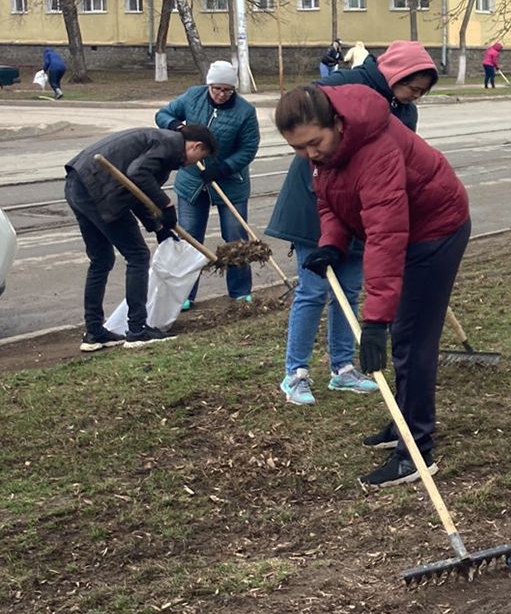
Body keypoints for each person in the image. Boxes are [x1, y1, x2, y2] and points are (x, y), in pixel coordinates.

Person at [274, 83, 470, 488]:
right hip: (406, 230)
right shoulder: (330, 150)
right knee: (405, 334)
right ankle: (403, 419)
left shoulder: (375, 149)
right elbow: (330, 201)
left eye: (313, 143)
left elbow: (386, 234)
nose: (309, 154)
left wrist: (376, 319)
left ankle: (416, 450)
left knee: (410, 337)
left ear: (337, 122)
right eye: (297, 148)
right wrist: (332, 243)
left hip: (435, 229)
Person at [65, 124, 217, 350]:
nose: (192, 163)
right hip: (99, 190)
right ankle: (137, 330)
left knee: (101, 260)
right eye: (198, 157)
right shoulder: (169, 145)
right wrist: (165, 204)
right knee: (137, 255)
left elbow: (136, 192)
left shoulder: (159, 141)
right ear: (196, 146)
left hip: (78, 184)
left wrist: (158, 226)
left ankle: (94, 332)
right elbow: (137, 175)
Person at [265, 154, 377, 404]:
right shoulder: (324, 139)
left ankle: (343, 368)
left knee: (348, 292)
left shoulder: (391, 126)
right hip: (312, 215)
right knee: (313, 291)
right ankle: (295, 374)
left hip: (356, 216)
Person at [155, 61, 261, 309]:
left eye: (227, 90)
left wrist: (223, 168)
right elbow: (163, 114)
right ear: (209, 85)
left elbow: (248, 148)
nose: (221, 95)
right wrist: (178, 127)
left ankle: (240, 291)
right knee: (191, 237)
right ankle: (185, 295)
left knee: (235, 237)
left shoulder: (245, 112)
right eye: (216, 89)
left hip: (230, 183)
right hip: (192, 180)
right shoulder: (193, 97)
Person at [321, 40, 438, 132]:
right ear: (396, 75)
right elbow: (307, 99)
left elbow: (408, 151)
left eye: (423, 91)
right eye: (414, 89)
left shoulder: (409, 112)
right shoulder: (351, 81)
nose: (417, 95)